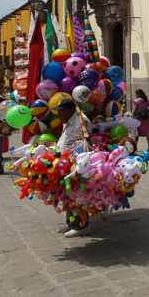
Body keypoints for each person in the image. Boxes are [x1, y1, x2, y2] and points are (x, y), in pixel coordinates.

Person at [55, 98, 93, 238]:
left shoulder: (81, 121)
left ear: (69, 110)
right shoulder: (69, 120)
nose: (58, 115)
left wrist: (70, 160)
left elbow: (81, 143)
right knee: (67, 194)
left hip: (75, 164)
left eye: (60, 112)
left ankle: (81, 225)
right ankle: (71, 223)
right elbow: (64, 139)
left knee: (76, 195)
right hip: (64, 161)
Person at [133, 89, 149, 153]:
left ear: (138, 94)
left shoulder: (136, 101)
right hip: (147, 117)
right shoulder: (148, 100)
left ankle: (135, 147)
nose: (135, 95)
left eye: (136, 94)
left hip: (140, 118)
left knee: (137, 132)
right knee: (148, 133)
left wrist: (134, 114)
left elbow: (135, 111)